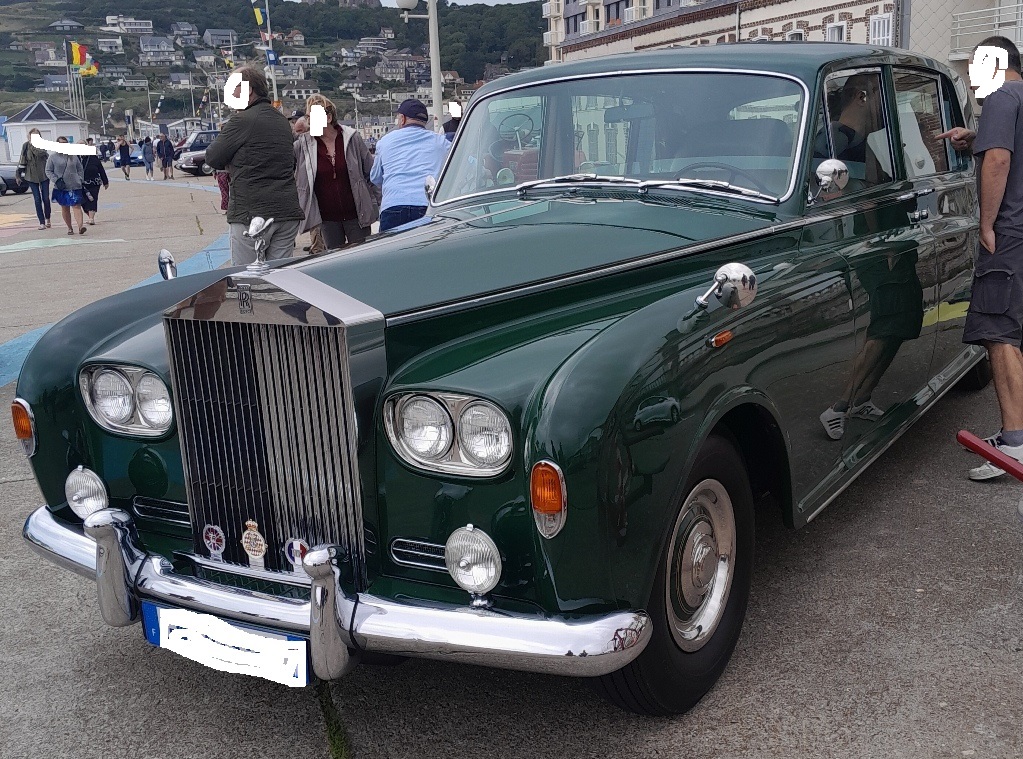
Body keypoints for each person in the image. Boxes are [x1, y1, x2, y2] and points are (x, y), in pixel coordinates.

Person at [944, 37, 1023, 480]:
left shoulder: (1000, 97)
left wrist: (986, 224)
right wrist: (976, 137)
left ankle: (1015, 443)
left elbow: (998, 160)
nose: (973, 77)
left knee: (999, 332)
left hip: (1010, 234)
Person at [204, 65, 304, 266]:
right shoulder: (283, 122)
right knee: (280, 277)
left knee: (246, 276)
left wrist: (232, 162)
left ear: (248, 90)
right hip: (286, 212)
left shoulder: (241, 120)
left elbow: (212, 157)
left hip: (251, 213)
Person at [294, 94, 378, 254]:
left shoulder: (352, 138)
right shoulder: (303, 145)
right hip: (327, 219)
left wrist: (379, 204)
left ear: (328, 117)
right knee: (335, 260)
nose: (310, 122)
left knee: (363, 258)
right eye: (308, 117)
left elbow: (371, 173)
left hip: (357, 215)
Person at [370, 98, 450, 232]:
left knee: (392, 246)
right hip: (427, 206)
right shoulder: (442, 143)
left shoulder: (385, 142)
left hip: (393, 205)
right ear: (425, 121)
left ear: (402, 119)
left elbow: (375, 178)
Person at [45, 137, 86, 235]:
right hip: (62, 187)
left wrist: (80, 179)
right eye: (61, 143)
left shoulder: (73, 156)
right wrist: (56, 180)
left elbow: (80, 168)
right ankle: (70, 228)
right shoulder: (53, 157)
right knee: (65, 207)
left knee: (76, 205)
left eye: (65, 143)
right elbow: (48, 171)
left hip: (75, 185)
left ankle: (80, 227)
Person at [17, 127, 51, 230]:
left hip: (43, 174)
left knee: (45, 198)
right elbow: (22, 159)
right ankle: (42, 222)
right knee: (37, 199)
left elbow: (40, 153)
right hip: (31, 175)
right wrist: (18, 174)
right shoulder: (25, 145)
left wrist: (33, 145)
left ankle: (48, 218)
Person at [79, 138, 109, 225]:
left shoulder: (93, 157)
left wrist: (105, 181)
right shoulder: (74, 158)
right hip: (80, 183)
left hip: (94, 182)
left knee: (92, 199)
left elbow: (101, 169)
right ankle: (90, 216)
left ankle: (91, 218)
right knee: (83, 202)